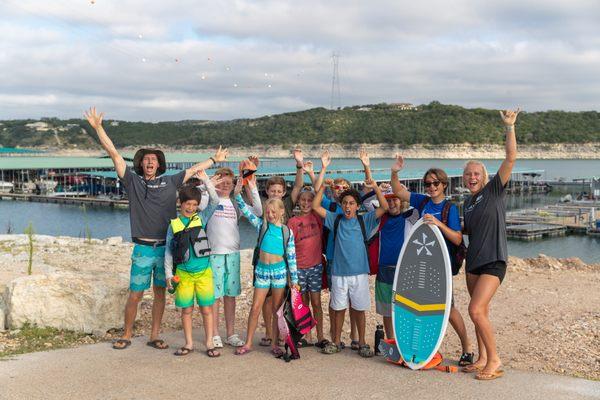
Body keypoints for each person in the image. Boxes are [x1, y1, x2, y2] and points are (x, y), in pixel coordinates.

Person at [84, 107, 228, 350]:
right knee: (136, 294)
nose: (149, 161)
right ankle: (127, 334)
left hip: (165, 248)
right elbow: (115, 154)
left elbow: (194, 170)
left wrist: (215, 160)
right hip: (142, 249)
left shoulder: (170, 181)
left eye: (154, 159)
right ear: (140, 164)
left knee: (160, 294)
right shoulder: (132, 181)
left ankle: (154, 335)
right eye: (146, 159)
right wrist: (98, 128)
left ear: (159, 164)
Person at [391, 161, 473, 366]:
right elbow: (398, 192)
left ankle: (467, 349)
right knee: (418, 304)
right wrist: (394, 172)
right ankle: (416, 348)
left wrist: (438, 224)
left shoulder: (449, 209)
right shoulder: (423, 202)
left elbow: (457, 238)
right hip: (422, 262)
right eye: (427, 184)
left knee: (449, 308)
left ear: (444, 184)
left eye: (435, 183)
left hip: (441, 266)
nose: (431, 187)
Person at [461, 108, 520, 380]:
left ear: (483, 176)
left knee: (475, 309)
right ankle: (483, 357)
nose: (472, 177)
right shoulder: (467, 202)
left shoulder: (494, 190)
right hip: (473, 262)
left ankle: (494, 360)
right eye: (468, 174)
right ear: (464, 179)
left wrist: (509, 127)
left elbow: (510, 157)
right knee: (479, 312)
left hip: (493, 261)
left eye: (476, 173)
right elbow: (464, 234)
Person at [312, 179, 388, 357]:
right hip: (338, 272)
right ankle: (336, 341)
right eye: (345, 203)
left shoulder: (365, 220)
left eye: (352, 203)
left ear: (357, 206)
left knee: (359, 309)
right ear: (341, 204)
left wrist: (376, 187)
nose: (348, 206)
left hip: (360, 273)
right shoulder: (334, 219)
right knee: (338, 309)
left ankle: (362, 342)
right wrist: (322, 187)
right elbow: (316, 206)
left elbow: (384, 207)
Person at [233, 177, 300, 356]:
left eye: (273, 212)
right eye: (268, 212)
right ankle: (248, 343)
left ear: (281, 212)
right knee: (256, 307)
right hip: (262, 271)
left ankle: (275, 345)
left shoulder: (286, 232)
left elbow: (291, 257)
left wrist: (295, 280)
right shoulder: (262, 226)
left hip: (279, 272)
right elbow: (247, 212)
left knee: (278, 310)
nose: (270, 215)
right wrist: (238, 194)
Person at [198, 166, 262, 349]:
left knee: (230, 295)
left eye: (228, 182)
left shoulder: (236, 203)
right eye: (221, 181)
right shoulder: (208, 200)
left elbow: (257, 210)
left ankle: (231, 333)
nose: (225, 185)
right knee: (215, 296)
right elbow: (191, 196)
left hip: (233, 254)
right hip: (214, 254)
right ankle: (215, 334)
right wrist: (208, 183)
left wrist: (251, 186)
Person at [164, 173, 220, 357]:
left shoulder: (201, 218)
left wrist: (206, 182)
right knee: (186, 310)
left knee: (206, 309)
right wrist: (168, 275)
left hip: (203, 273)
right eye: (188, 204)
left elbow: (214, 200)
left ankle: (209, 342)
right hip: (184, 274)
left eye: (194, 205)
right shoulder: (174, 224)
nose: (191, 207)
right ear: (181, 203)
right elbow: (168, 251)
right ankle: (188, 343)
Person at [312, 150, 363, 349]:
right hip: (333, 258)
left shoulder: (353, 208)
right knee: (337, 301)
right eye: (336, 187)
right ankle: (335, 336)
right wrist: (323, 168)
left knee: (355, 302)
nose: (339, 189)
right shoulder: (332, 207)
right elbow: (317, 190)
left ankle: (355, 336)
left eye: (344, 187)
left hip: (353, 261)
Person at [256, 150, 305, 347]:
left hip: (284, 257)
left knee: (282, 297)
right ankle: (269, 332)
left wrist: (299, 165)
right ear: (267, 192)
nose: (275, 193)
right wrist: (251, 172)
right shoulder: (264, 207)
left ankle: (283, 333)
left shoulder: (287, 203)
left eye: (278, 191)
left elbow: (299, 185)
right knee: (266, 299)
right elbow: (251, 193)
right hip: (264, 259)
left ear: (283, 192)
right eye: (272, 190)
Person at [363, 185, 419, 339]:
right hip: (384, 269)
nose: (392, 203)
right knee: (387, 310)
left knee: (406, 308)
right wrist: (377, 189)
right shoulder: (381, 217)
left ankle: (405, 339)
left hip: (405, 269)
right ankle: (391, 339)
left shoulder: (410, 216)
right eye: (388, 200)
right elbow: (367, 202)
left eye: (395, 199)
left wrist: (400, 188)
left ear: (402, 201)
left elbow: (421, 203)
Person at [287, 187, 326, 348]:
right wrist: (291, 274)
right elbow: (288, 248)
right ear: (298, 201)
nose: (306, 203)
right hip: (299, 269)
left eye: (309, 200)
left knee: (316, 302)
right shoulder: (292, 222)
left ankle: (321, 336)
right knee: (303, 303)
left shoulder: (317, 217)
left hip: (315, 267)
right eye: (303, 200)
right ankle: (305, 334)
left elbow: (320, 195)